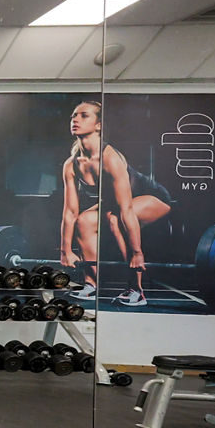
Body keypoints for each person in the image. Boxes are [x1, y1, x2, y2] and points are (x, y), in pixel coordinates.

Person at [59, 100, 172, 306]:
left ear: (99, 125)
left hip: (156, 198)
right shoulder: (71, 165)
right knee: (84, 221)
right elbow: (70, 212)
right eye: (73, 116)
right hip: (118, 205)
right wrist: (65, 250)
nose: (75, 119)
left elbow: (126, 209)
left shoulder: (110, 158)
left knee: (115, 219)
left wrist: (137, 253)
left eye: (84, 115)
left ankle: (136, 291)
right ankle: (91, 285)